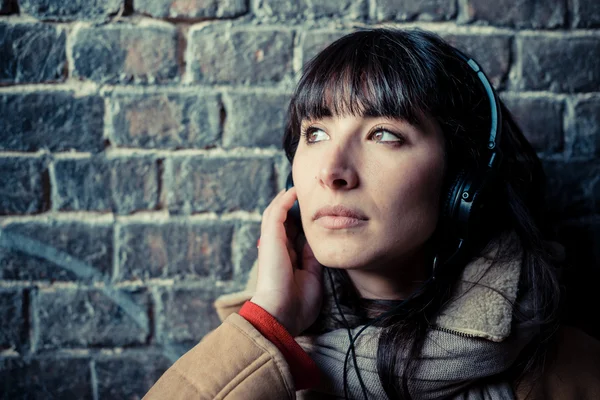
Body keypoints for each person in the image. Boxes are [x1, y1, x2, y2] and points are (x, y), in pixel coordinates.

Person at [144, 28, 600, 399]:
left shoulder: (573, 374)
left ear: (464, 186)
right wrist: (269, 325)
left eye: (383, 134)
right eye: (316, 133)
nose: (332, 172)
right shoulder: (244, 358)